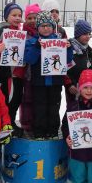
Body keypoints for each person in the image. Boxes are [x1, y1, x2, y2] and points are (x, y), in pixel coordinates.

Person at [24, 11, 73, 139]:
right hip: (39, 82)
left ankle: (52, 131)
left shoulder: (59, 41)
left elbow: (67, 60)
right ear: (37, 27)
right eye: (42, 26)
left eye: (48, 25)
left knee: (54, 107)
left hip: (55, 82)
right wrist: (36, 47)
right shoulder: (32, 42)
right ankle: (39, 132)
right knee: (39, 108)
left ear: (53, 26)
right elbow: (29, 60)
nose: (46, 28)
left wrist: (68, 48)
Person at [0, 3, 25, 135]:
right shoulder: (3, 30)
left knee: (16, 99)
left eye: (19, 15)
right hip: (7, 73)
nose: (17, 18)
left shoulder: (21, 32)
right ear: (6, 17)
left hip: (18, 72)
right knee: (7, 101)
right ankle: (5, 124)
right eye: (14, 15)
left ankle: (10, 122)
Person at [20, 3, 41, 136]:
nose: (33, 21)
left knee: (38, 100)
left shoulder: (45, 32)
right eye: (30, 18)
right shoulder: (22, 34)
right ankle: (27, 125)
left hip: (41, 74)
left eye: (35, 18)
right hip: (27, 73)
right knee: (26, 100)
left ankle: (38, 123)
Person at [66, 20, 92, 101]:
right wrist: (69, 85)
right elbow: (64, 70)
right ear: (78, 35)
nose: (88, 36)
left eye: (89, 34)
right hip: (74, 90)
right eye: (85, 34)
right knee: (74, 111)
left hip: (89, 90)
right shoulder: (69, 49)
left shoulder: (89, 51)